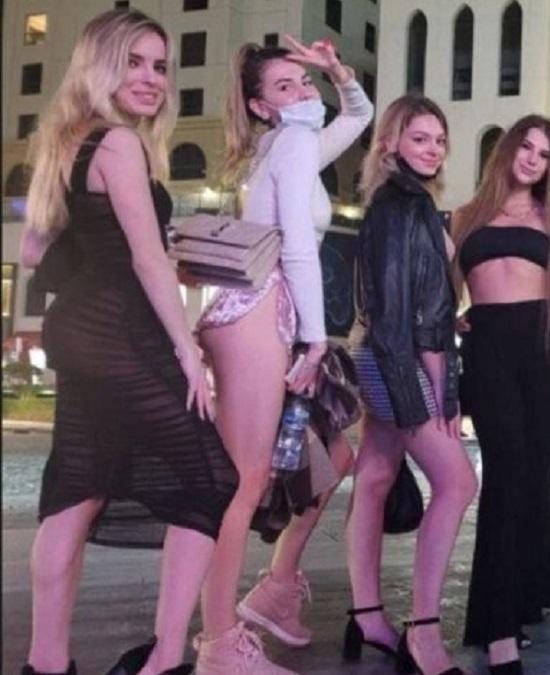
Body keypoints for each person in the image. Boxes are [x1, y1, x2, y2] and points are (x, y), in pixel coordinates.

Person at [18, 10, 237, 675]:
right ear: (99, 66)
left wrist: (110, 251)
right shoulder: (117, 143)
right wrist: (186, 350)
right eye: (134, 62)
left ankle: (46, 663)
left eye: (160, 66)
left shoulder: (66, 141)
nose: (151, 78)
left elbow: (31, 251)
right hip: (121, 331)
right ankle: (165, 659)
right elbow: (146, 260)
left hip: (80, 329)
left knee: (76, 492)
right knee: (211, 476)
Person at [193, 36, 372, 673]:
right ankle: (219, 643)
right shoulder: (291, 144)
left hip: (271, 312)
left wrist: (336, 71)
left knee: (332, 455)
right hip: (263, 313)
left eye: (304, 82)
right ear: (260, 106)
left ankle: (273, 591)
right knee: (242, 485)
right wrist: (317, 339)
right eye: (284, 86)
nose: (303, 93)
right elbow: (296, 244)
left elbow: (358, 116)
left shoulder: (290, 143)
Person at [342, 94, 476, 675]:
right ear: (391, 142)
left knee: (374, 478)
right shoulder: (408, 205)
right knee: (459, 482)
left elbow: (405, 300)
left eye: (439, 140)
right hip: (399, 361)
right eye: (420, 138)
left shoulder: (389, 201)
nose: (433, 149)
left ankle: (366, 615)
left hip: (378, 354)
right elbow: (408, 317)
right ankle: (423, 630)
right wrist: (442, 394)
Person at [454, 115, 550, 675]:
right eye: (525, 147)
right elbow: (443, 295)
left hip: (543, 351)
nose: (532, 158)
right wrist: (455, 320)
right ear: (508, 150)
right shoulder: (464, 216)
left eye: (544, 153)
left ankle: (504, 609)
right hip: (488, 351)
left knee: (534, 487)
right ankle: (500, 631)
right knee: (505, 477)